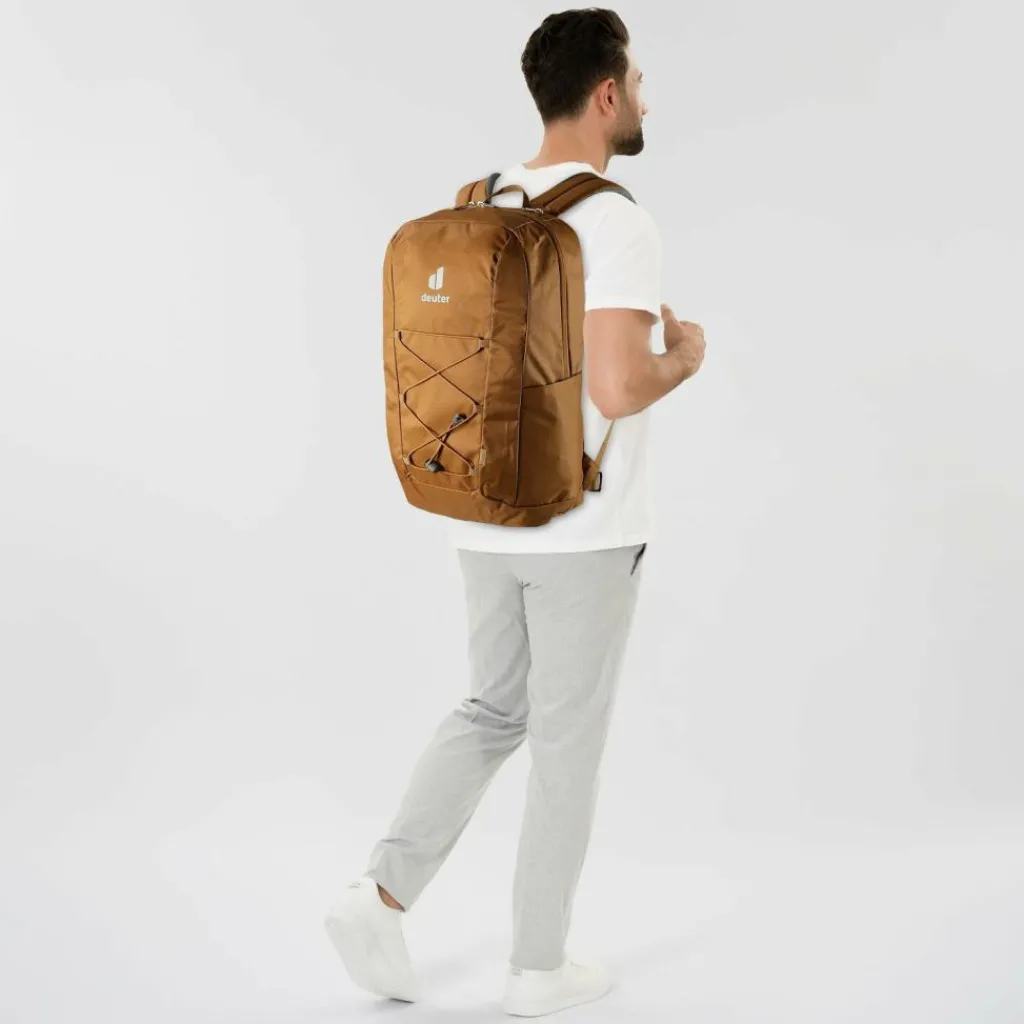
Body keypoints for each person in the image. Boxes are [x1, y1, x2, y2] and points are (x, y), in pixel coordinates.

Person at [324, 8, 706, 1017]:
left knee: (492, 709)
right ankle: (538, 967)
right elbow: (618, 387)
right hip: (583, 527)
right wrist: (682, 359)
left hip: (478, 504)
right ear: (607, 94)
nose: (644, 99)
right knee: (565, 744)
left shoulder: (480, 200)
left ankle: (377, 893)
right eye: (637, 82)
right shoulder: (615, 220)